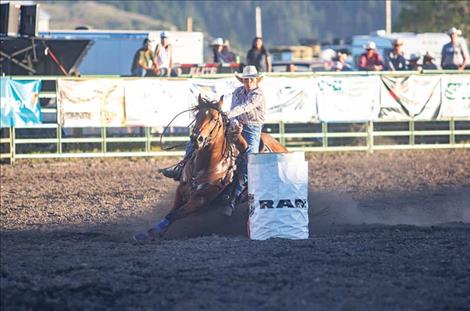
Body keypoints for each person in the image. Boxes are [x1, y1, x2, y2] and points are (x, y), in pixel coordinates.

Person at [160, 65, 266, 215]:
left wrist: (228, 115)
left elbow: (245, 107)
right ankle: (181, 167)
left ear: (256, 80)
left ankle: (234, 197)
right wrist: (234, 123)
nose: (248, 82)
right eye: (245, 80)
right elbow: (236, 110)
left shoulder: (258, 94)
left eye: (250, 80)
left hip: (253, 129)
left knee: (249, 156)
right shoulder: (238, 91)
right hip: (237, 124)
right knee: (200, 138)